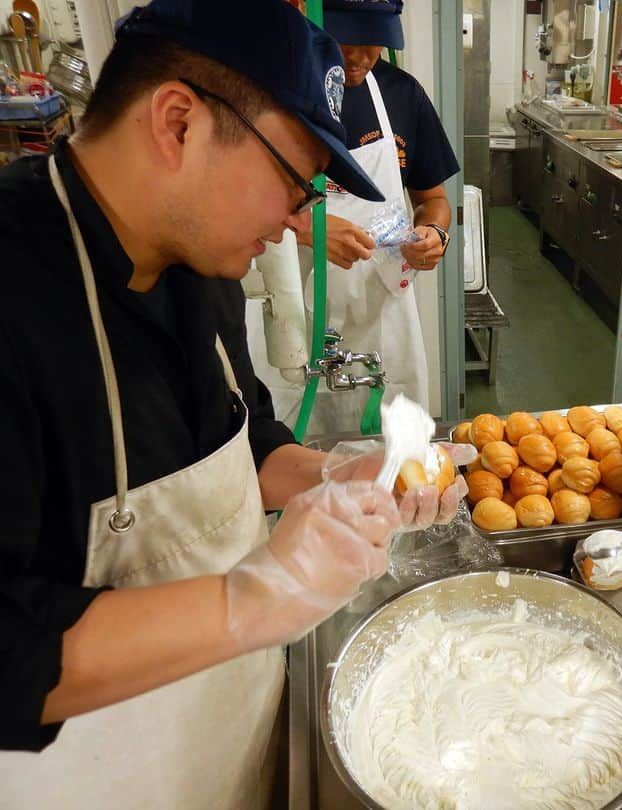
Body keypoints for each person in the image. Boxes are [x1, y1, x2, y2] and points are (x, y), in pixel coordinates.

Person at [0, 1, 463, 806]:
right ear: (178, 123)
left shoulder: (196, 265)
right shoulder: (16, 294)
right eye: (292, 183)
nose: (294, 222)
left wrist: (341, 472)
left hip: (233, 735)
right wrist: (249, 600)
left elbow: (242, 441)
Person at [255, 0, 460, 433]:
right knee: (295, 455)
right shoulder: (270, 90)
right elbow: (232, 201)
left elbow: (434, 199)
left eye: (375, 41)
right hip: (295, 317)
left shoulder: (403, 95)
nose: (359, 55)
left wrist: (433, 232)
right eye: (346, 36)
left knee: (391, 456)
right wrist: (307, 226)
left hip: (382, 317)